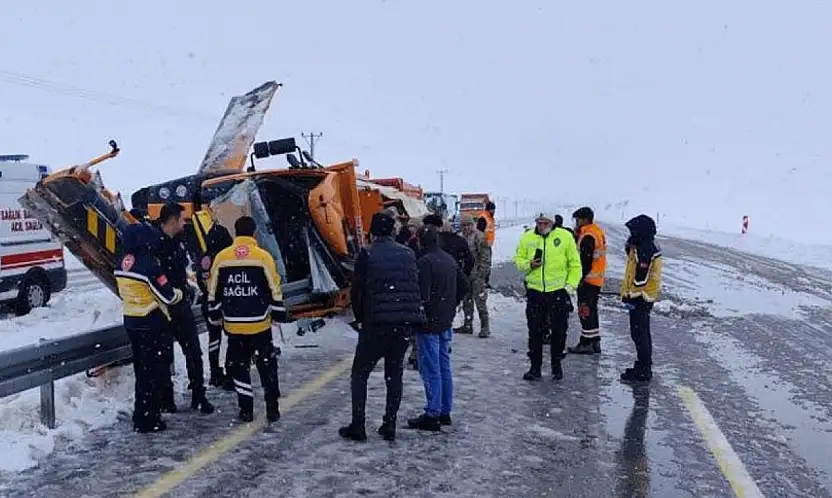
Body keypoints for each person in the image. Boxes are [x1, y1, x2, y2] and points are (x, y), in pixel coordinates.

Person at [339, 212, 425, 442]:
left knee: (360, 373)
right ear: (393, 231)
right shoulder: (408, 254)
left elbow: (357, 291)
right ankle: (390, 423)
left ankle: (358, 424)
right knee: (393, 374)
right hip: (402, 325)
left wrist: (360, 318)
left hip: (376, 324)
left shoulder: (367, 254)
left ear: (373, 232)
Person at [206, 216, 288, 423]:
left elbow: (213, 290)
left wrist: (215, 314)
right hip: (260, 324)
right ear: (253, 233)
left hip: (234, 326)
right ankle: (272, 407)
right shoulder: (263, 257)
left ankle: (246, 409)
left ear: (236, 232)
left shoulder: (222, 258)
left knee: (238, 367)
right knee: (267, 365)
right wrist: (278, 312)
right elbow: (274, 286)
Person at [115, 223, 184, 433]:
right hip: (152, 323)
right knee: (153, 373)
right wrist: (180, 293)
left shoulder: (122, 263)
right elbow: (168, 296)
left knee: (142, 372)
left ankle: (141, 414)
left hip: (132, 322)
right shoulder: (149, 266)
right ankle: (149, 419)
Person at [154, 203, 214, 414]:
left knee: (193, 352)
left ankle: (198, 396)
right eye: (180, 219)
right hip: (163, 309)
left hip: (181, 307)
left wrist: (186, 289)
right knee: (163, 356)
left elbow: (182, 270)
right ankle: (166, 400)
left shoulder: (179, 241)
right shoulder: (155, 245)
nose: (183, 222)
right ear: (172, 221)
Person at [408, 226, 468, 431]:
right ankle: (444, 410)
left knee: (430, 367)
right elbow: (464, 285)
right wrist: (451, 304)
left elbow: (421, 295)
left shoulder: (425, 262)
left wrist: (418, 315)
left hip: (429, 323)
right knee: (444, 366)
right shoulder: (448, 259)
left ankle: (432, 413)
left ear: (421, 241)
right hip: (445, 320)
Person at [514, 213, 582, 381]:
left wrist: (569, 287)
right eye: (539, 222)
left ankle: (556, 365)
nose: (542, 225)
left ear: (552, 223)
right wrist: (529, 264)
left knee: (559, 332)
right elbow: (518, 260)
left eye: (545, 222)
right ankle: (534, 368)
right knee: (535, 332)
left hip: (558, 292)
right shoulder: (527, 237)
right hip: (535, 292)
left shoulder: (565, 237)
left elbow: (575, 265)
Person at [187, 209, 235, 390]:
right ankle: (230, 374)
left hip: (209, 303)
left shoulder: (203, 258)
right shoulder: (224, 257)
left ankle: (215, 372)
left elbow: (200, 280)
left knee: (214, 339)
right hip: (225, 303)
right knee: (233, 338)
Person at [620, 214, 663, 383]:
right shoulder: (643, 244)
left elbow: (640, 277)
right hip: (643, 296)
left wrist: (631, 297)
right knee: (640, 333)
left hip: (641, 297)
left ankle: (644, 369)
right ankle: (642, 365)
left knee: (640, 334)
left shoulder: (645, 248)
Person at [568, 207, 607, 355]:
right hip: (595, 280)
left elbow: (585, 261)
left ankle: (586, 343)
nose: (576, 223)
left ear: (584, 219)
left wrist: (579, 278)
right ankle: (595, 341)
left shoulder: (588, 235)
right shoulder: (597, 231)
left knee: (585, 312)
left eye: (577, 219)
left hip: (588, 281)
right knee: (592, 310)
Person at [456, 213, 492, 337]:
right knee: (467, 301)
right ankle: (468, 324)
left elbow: (485, 257)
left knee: (480, 302)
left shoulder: (480, 237)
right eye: (464, 225)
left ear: (473, 224)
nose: (466, 227)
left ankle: (485, 327)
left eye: (469, 224)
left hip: (477, 275)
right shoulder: (460, 238)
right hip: (465, 275)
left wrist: (482, 274)